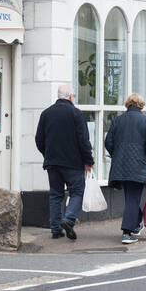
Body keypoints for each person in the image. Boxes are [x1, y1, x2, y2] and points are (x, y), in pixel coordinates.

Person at [35, 84, 94, 240]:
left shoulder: (46, 114)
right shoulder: (76, 114)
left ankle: (55, 229)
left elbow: (38, 139)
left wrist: (47, 154)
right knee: (77, 192)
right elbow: (83, 140)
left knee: (55, 195)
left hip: (52, 163)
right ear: (70, 97)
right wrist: (88, 160)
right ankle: (68, 220)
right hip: (73, 163)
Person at [104, 93, 146, 244]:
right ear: (141, 105)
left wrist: (117, 154)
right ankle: (127, 233)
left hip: (121, 166)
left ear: (128, 104)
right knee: (133, 199)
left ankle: (135, 224)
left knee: (130, 198)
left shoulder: (117, 121)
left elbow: (108, 142)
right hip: (139, 166)